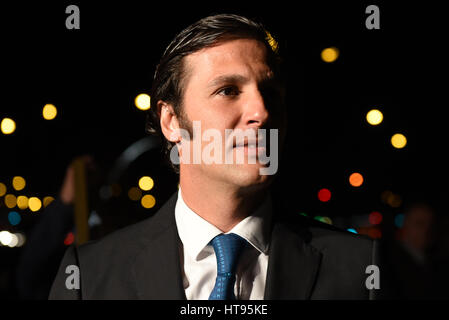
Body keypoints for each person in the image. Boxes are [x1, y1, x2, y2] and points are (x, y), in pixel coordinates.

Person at [49, 14, 389, 300]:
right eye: (228, 91)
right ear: (171, 121)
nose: (261, 111)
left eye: (270, 93)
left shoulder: (359, 270)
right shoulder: (91, 276)